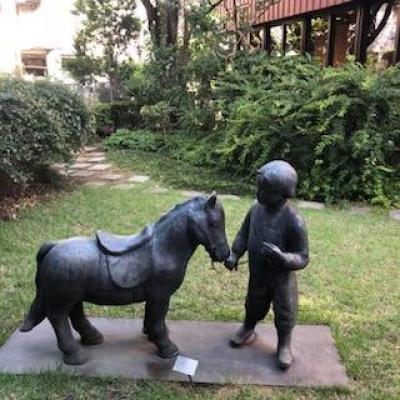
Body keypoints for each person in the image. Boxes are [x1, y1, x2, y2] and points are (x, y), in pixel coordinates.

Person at [225, 160, 309, 370]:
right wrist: (235, 253)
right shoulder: (255, 209)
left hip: (281, 279)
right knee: (253, 304)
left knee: (285, 312)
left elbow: (302, 257)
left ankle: (284, 344)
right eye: (259, 188)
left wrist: (283, 258)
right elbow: (244, 233)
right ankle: (248, 328)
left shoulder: (293, 220)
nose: (258, 193)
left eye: (264, 190)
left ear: (282, 194)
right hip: (258, 275)